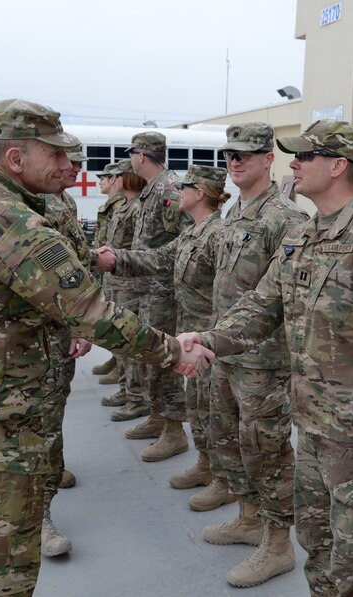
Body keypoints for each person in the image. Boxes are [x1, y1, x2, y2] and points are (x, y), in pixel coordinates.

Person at [0, 98, 214, 597]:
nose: (67, 166)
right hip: (4, 416)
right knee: (2, 564)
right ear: (15, 159)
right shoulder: (9, 221)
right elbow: (88, 309)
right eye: (53, 155)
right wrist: (171, 351)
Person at [177, 119, 353, 595]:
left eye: (304, 156)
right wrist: (208, 340)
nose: (294, 163)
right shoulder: (301, 237)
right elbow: (260, 306)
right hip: (311, 425)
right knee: (317, 543)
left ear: (338, 167)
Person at [191, 122, 308, 588]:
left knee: (267, 450)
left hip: (265, 359)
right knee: (227, 439)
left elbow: (288, 299)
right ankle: (248, 518)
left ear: (268, 159)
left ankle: (278, 543)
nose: (234, 162)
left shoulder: (285, 218)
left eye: (245, 154)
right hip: (227, 350)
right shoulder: (233, 214)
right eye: (229, 155)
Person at [96, 164, 235, 510]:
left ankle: (225, 479)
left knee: (216, 411)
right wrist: (117, 259)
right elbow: (161, 258)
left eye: (185, 186)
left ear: (199, 193)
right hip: (193, 335)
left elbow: (230, 292)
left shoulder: (219, 234)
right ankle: (207, 466)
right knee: (198, 405)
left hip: (212, 340)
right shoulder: (193, 233)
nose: (178, 192)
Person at [37, 141, 94, 557]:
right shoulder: (33, 207)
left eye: (76, 163)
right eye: (67, 162)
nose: (73, 170)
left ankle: (52, 469)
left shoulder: (64, 203)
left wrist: (81, 323)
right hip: (32, 336)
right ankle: (37, 519)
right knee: (34, 422)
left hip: (59, 331)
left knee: (53, 406)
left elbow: (78, 262)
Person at [123, 132, 193, 462]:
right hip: (149, 288)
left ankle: (175, 429)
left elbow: (185, 237)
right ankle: (158, 417)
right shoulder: (154, 190)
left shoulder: (168, 190)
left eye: (134, 154)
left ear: (141, 156)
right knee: (151, 356)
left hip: (164, 290)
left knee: (166, 358)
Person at [102, 160, 151, 422]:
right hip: (117, 281)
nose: (115, 179)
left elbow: (136, 249)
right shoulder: (125, 207)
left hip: (130, 284)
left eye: (120, 175)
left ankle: (136, 396)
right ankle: (126, 388)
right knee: (120, 340)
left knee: (130, 342)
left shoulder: (136, 208)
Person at [90, 162, 127, 382]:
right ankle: (117, 358)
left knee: (118, 319)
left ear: (115, 179)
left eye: (105, 177)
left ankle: (122, 368)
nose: (100, 181)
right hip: (107, 269)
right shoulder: (111, 205)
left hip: (117, 270)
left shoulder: (122, 204)